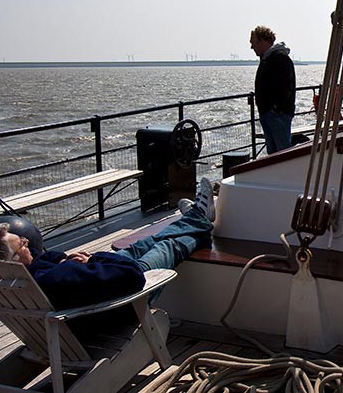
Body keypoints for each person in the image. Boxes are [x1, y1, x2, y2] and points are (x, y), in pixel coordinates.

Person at [0, 178, 216, 337]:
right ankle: (198, 221)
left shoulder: (23, 279)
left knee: (142, 244)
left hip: (99, 284)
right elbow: (131, 276)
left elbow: (43, 258)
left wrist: (63, 259)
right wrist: (91, 261)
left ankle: (195, 218)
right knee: (167, 245)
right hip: (122, 302)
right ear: (16, 260)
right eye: (22, 244)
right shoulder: (58, 277)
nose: (28, 242)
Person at [250, 25, 296, 154]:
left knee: (282, 152)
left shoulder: (279, 58)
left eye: (253, 43)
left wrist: (276, 109)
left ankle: (286, 173)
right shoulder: (267, 58)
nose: (252, 47)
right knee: (273, 153)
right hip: (268, 113)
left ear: (262, 41)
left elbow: (286, 86)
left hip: (276, 114)